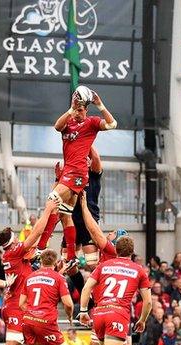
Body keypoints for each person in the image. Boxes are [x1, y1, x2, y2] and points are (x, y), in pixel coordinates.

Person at [36, 87, 117, 269]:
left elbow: (112, 124)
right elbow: (57, 126)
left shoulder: (91, 123)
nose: (79, 113)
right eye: (77, 109)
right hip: (67, 173)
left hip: (78, 173)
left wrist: (100, 104)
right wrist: (71, 109)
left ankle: (41, 247)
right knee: (65, 214)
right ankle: (71, 255)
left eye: (81, 109)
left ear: (86, 110)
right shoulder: (68, 123)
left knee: (52, 200)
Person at [0, 198, 60, 345]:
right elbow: (36, 233)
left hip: (19, 304)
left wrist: (52, 220)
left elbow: (36, 249)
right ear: (12, 241)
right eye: (16, 237)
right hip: (16, 305)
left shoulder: (13, 254)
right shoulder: (14, 251)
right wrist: (48, 209)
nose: (19, 238)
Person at [79, 236, 152, 345]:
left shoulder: (103, 266)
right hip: (118, 314)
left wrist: (83, 311)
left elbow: (86, 288)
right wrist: (142, 320)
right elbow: (148, 302)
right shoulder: (139, 270)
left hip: (99, 314)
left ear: (116, 250)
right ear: (132, 252)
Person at [19, 249, 74, 345]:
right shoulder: (59, 278)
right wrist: (69, 316)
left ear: (40, 262)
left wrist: (33, 315)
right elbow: (68, 304)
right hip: (45, 320)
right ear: (56, 263)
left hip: (28, 321)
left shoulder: (30, 277)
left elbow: (21, 303)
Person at [58, 146, 103, 268]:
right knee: (66, 265)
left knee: (92, 264)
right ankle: (75, 287)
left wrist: (86, 141)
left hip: (89, 222)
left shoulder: (93, 174)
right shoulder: (69, 175)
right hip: (71, 222)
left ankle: (98, 286)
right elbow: (56, 194)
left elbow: (97, 159)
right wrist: (58, 178)